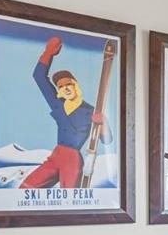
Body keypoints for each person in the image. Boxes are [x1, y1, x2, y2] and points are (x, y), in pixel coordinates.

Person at [20, 35, 107, 189]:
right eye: (60, 86)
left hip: (72, 160)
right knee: (26, 188)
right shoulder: (58, 104)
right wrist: (48, 54)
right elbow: (39, 77)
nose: (65, 88)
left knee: (69, 197)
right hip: (56, 156)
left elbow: (107, 140)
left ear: (75, 86)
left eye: (68, 84)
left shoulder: (90, 111)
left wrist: (103, 123)